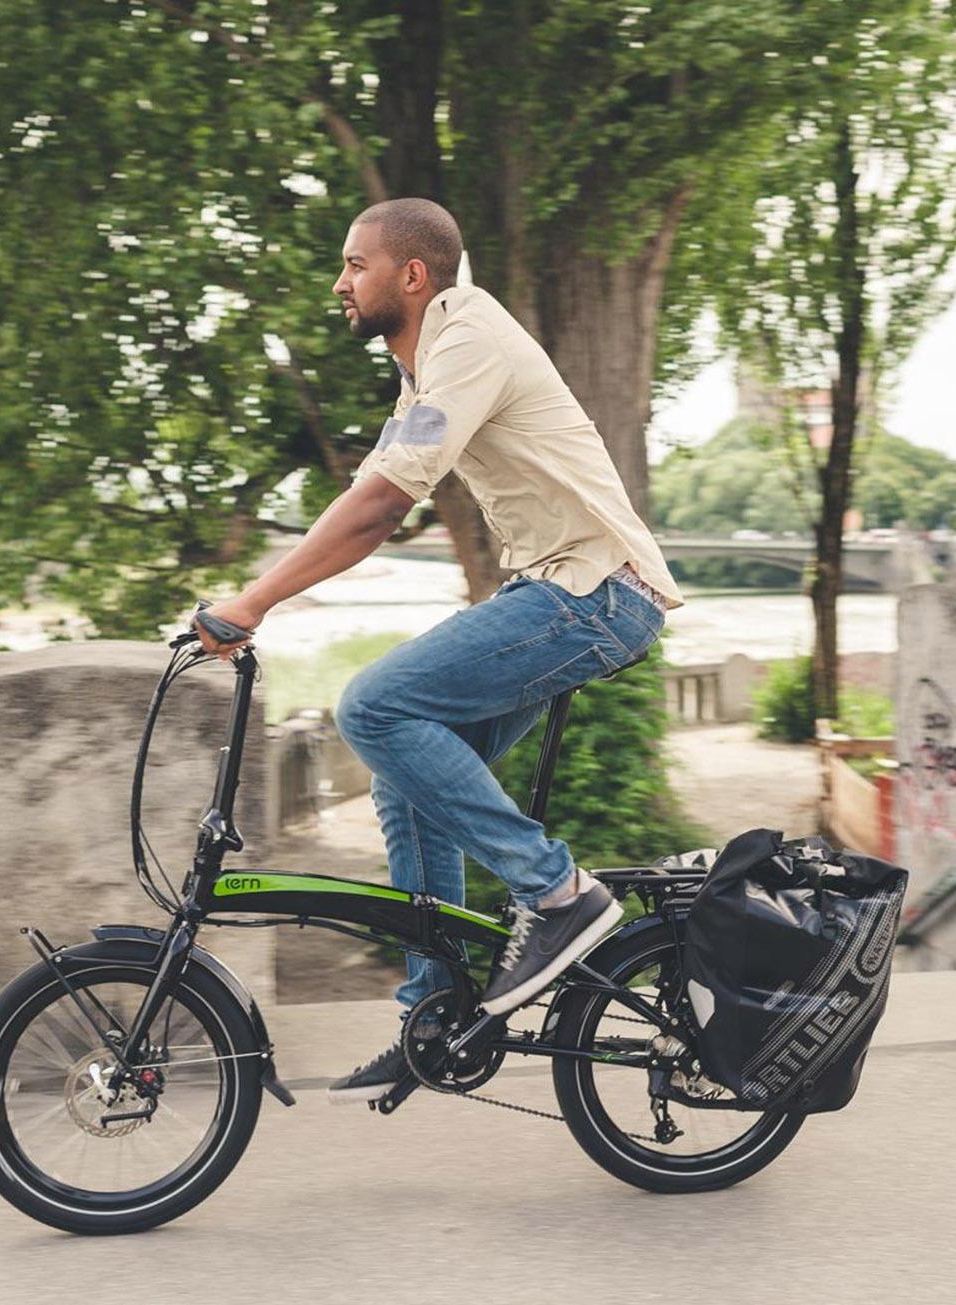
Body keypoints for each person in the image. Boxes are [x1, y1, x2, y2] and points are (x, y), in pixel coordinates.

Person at [194, 197, 683, 1104]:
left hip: (593, 593)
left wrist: (252, 601)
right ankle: (440, 1011)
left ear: (410, 275)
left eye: (354, 265)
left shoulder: (469, 344)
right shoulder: (426, 373)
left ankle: (558, 894)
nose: (339, 283)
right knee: (403, 772)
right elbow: (374, 506)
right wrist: (260, 598)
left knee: (373, 707)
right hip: (561, 590)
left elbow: (382, 505)